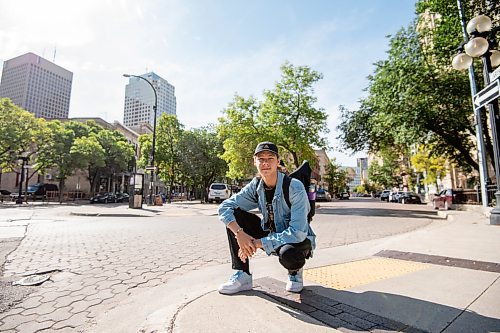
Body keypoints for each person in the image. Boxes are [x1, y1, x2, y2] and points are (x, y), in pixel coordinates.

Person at [218, 141, 316, 295]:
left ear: (278, 161)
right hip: (269, 232)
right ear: (254, 161)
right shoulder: (256, 185)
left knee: (288, 254)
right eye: (261, 159)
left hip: (295, 240)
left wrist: (256, 243)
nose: (265, 163)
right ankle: (242, 275)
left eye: (270, 158)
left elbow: (297, 232)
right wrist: (240, 234)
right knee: (235, 215)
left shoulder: (294, 187)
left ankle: (295, 272)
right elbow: (224, 207)